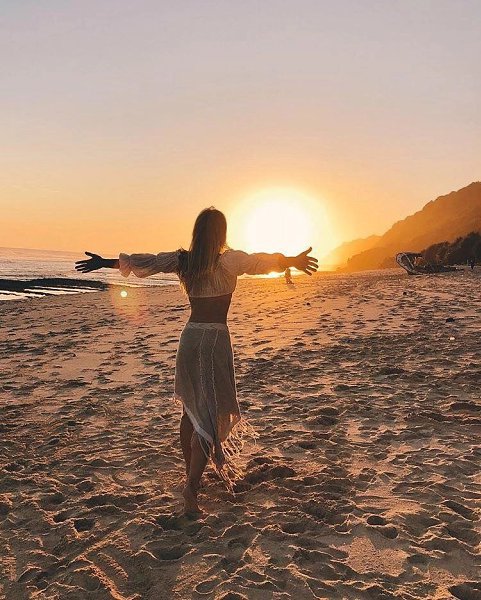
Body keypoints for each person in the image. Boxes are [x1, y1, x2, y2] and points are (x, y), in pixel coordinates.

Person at [75, 207, 318, 514]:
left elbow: (144, 262)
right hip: (214, 340)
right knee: (209, 412)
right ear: (221, 232)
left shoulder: (183, 260)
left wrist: (104, 262)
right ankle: (191, 486)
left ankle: (191, 474)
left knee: (190, 410)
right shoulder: (228, 261)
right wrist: (292, 260)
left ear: (197, 233)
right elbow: (259, 261)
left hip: (189, 338)